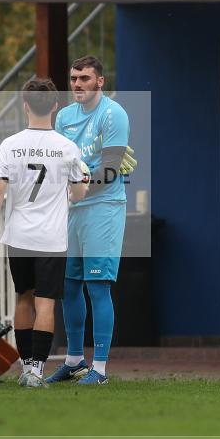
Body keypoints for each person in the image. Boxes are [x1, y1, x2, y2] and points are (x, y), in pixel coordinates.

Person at [0, 79, 89, 387]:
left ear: (25, 105)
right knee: (46, 304)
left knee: (23, 298)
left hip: (19, 237)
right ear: (55, 106)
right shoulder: (67, 147)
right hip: (52, 238)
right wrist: (80, 187)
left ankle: (26, 366)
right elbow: (79, 192)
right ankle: (37, 371)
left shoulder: (10, 145)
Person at [46, 55, 129, 385]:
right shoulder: (64, 115)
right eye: (74, 78)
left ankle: (100, 369)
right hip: (70, 210)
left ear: (100, 82)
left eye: (84, 78)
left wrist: (81, 191)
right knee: (68, 286)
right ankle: (74, 360)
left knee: (97, 285)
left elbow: (111, 166)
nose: (77, 83)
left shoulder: (114, 113)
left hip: (103, 208)